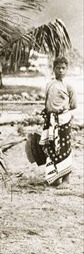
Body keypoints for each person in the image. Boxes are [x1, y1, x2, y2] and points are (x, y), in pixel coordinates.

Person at [41, 57, 77, 187]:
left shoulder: (68, 86)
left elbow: (73, 105)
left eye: (63, 68)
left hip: (64, 120)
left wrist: (62, 110)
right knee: (51, 147)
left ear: (67, 69)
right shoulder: (49, 84)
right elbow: (47, 102)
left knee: (64, 148)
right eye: (58, 68)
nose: (61, 70)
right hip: (51, 120)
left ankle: (66, 180)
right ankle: (54, 177)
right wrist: (48, 112)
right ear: (54, 69)